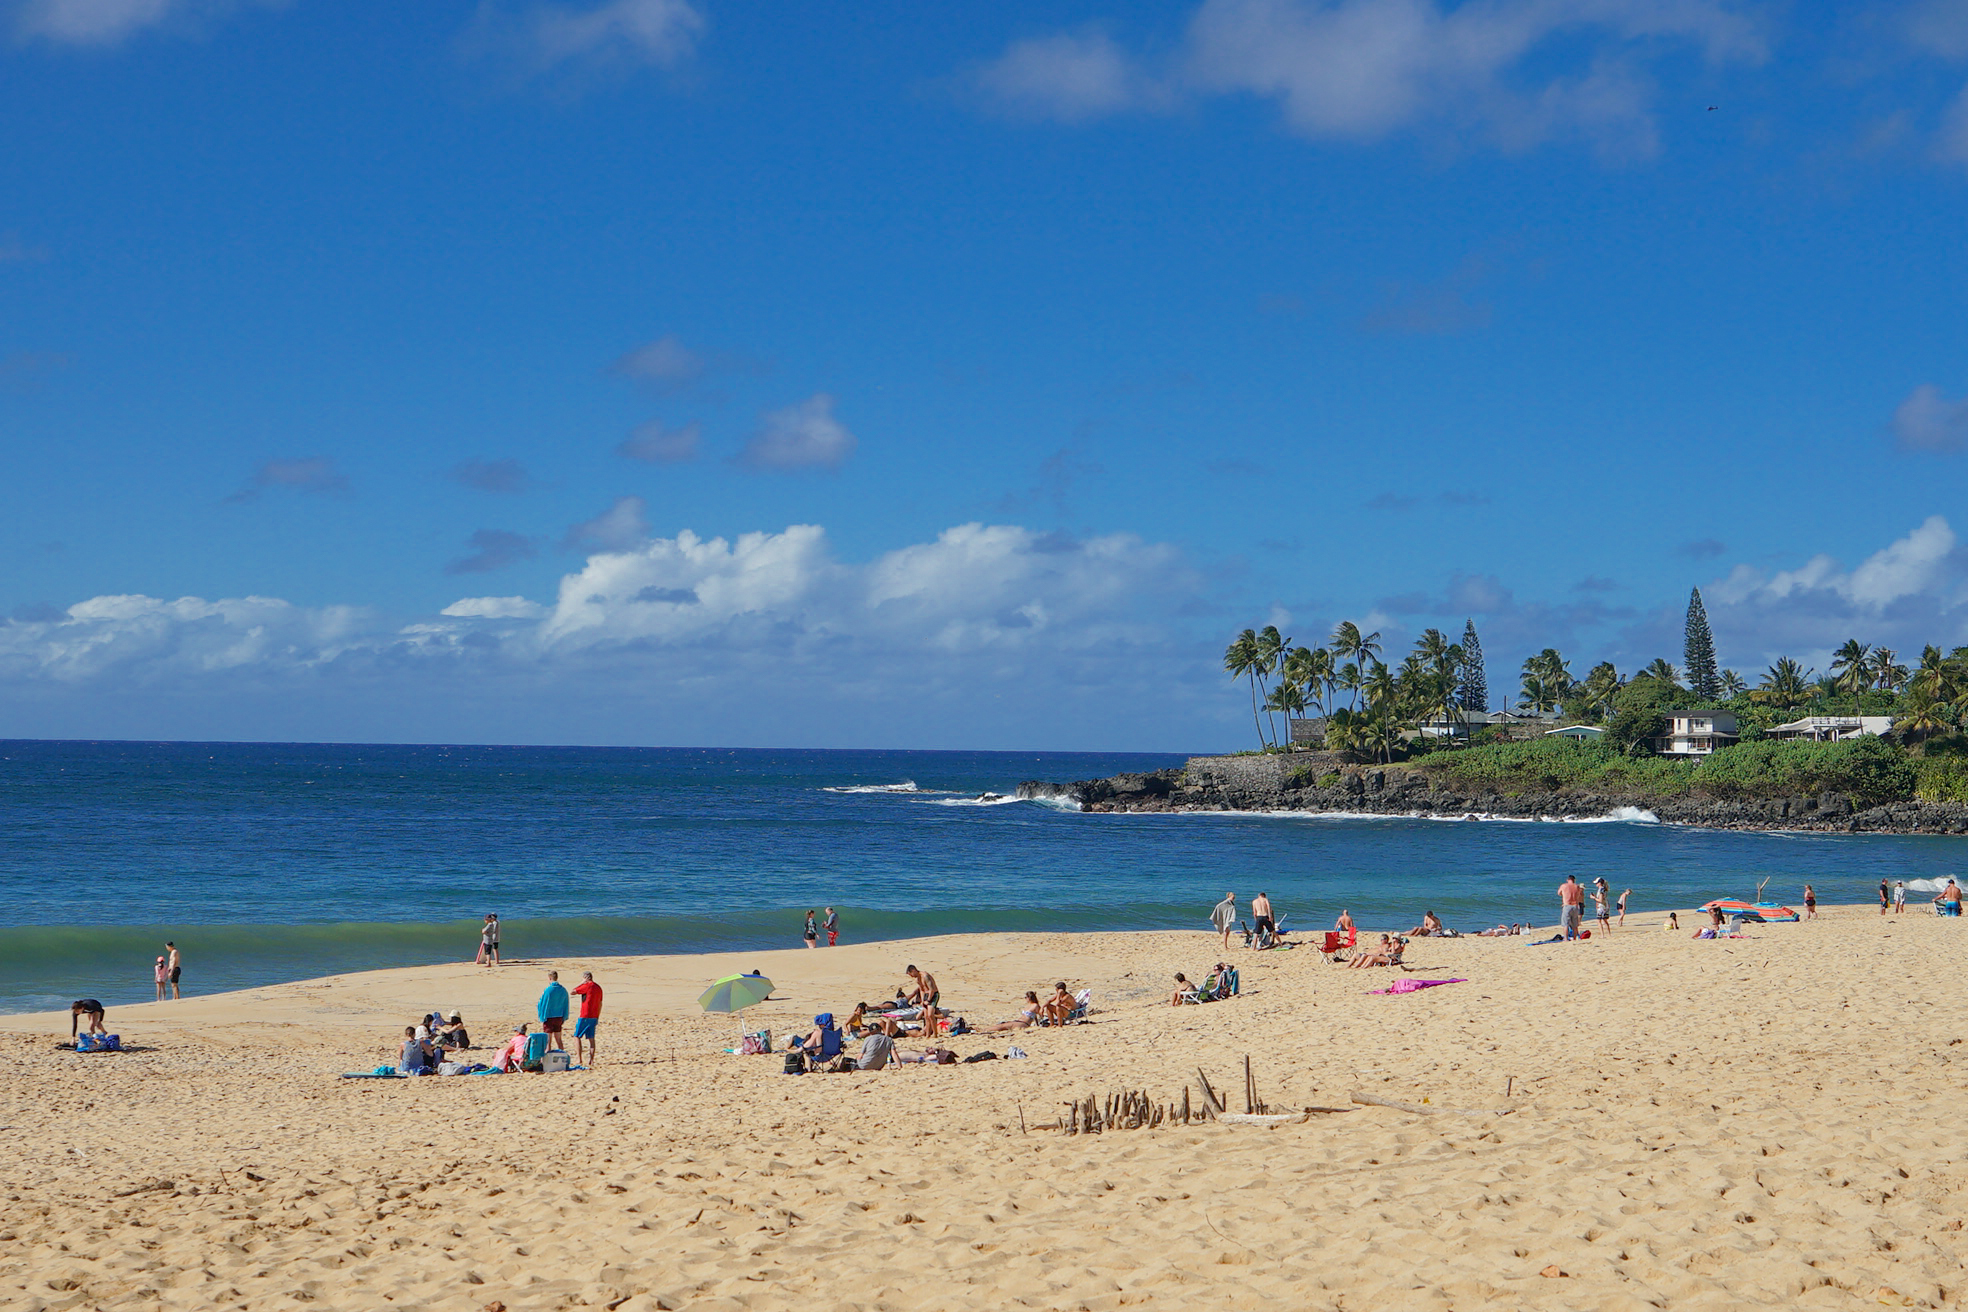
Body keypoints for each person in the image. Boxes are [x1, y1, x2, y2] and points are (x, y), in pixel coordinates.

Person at [571, 971, 602, 1066]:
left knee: (577, 1036)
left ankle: (579, 1059)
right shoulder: (598, 988)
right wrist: (598, 1016)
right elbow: (600, 1003)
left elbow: (573, 991)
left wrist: (581, 983)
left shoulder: (587, 986)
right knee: (591, 1039)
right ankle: (591, 1060)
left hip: (585, 1014)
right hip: (594, 1015)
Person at [537, 970, 570, 1052]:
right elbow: (566, 1004)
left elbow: (542, 1004)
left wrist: (541, 1016)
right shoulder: (563, 990)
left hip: (549, 1017)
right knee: (559, 1039)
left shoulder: (548, 990)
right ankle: (562, 1056)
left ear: (550, 978)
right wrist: (564, 1016)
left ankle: (548, 1059)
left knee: (548, 1042)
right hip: (559, 1016)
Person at [1558, 875, 1584, 941]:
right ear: (1574, 880)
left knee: (1565, 923)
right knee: (1574, 924)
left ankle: (1566, 938)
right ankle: (1574, 938)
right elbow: (1578, 895)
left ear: (1567, 880)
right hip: (1575, 906)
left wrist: (1565, 894)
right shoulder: (1577, 886)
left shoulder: (1564, 886)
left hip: (1567, 905)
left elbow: (1559, 893)